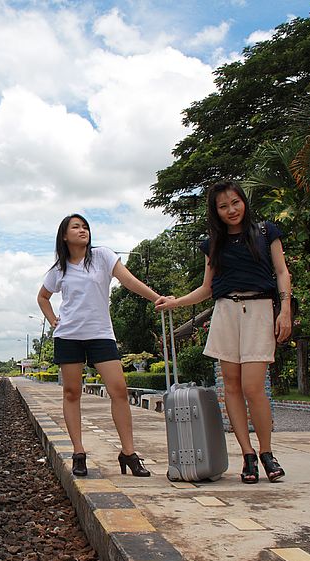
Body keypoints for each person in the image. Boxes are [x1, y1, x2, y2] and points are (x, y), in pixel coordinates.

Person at [155, 180, 292, 483]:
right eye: (223, 206)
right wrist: (175, 302)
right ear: (215, 211)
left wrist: (285, 310)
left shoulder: (266, 232)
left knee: (253, 387)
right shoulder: (212, 244)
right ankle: (247, 456)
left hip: (259, 309)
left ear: (244, 202)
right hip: (226, 311)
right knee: (230, 386)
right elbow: (207, 289)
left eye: (235, 202)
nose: (231, 210)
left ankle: (267, 452)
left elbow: (282, 272)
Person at [37, 213, 162, 477]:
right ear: (64, 235)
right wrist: (53, 322)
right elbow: (43, 297)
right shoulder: (59, 269)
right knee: (72, 393)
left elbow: (128, 280)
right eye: (76, 227)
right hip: (68, 336)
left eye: (85, 227)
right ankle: (79, 452)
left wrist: (157, 298)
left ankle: (129, 453)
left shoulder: (103, 256)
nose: (83, 230)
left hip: (101, 334)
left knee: (118, 390)